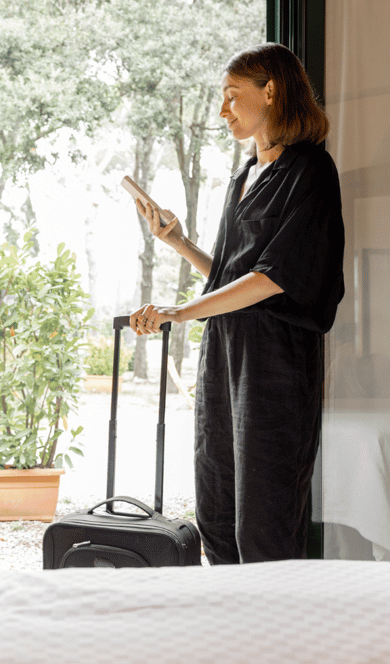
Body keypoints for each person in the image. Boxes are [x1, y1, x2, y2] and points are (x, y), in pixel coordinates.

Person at [129, 43, 344, 564]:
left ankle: (275, 642)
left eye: (232, 96)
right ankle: (229, 638)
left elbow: (274, 279)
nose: (223, 110)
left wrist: (180, 312)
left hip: (275, 371)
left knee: (266, 523)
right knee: (218, 514)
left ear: (271, 90)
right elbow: (233, 275)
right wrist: (178, 242)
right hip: (224, 360)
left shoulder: (311, 172)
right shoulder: (243, 176)